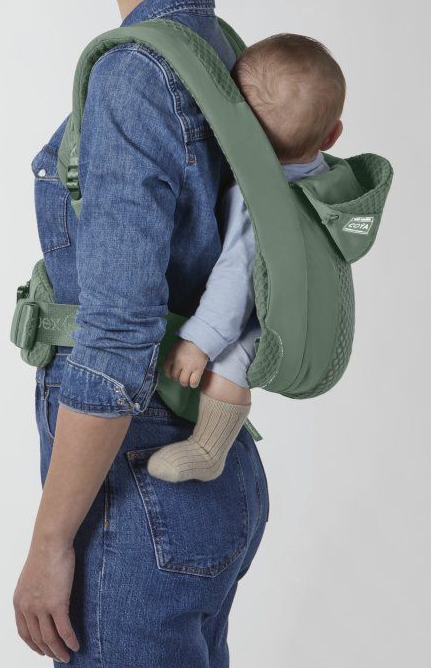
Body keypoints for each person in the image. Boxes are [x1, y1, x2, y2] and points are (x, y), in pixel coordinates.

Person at [14, 0, 267, 666]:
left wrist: (51, 541)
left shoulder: (134, 75)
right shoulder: (217, 50)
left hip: (138, 491)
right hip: (212, 471)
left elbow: (119, 335)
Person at [149, 34, 347, 482]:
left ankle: (208, 449)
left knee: (231, 359)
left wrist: (198, 342)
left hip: (264, 316)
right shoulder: (324, 178)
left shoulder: (258, 198)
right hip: (306, 310)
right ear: (333, 135)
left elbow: (236, 275)